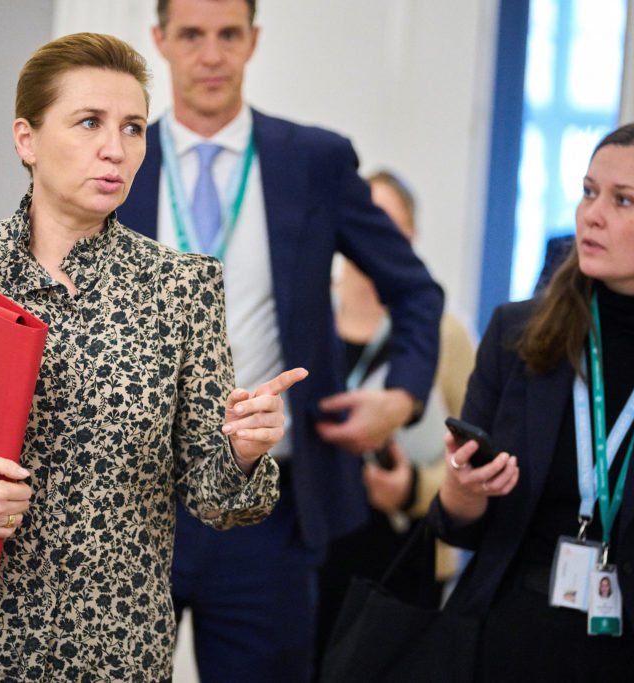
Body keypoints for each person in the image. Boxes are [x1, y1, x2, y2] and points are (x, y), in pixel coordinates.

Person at [0, 32, 308, 682]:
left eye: (133, 127)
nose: (116, 148)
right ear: (27, 140)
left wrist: (244, 451)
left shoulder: (183, 288)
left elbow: (216, 500)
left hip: (105, 658)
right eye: (89, 122)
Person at [117, 2, 444, 680]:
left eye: (228, 34)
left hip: (269, 508)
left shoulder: (313, 161)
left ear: (253, 40)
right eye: (192, 35)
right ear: (160, 41)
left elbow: (417, 291)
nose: (212, 55)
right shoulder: (119, 161)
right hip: (134, 499)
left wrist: (401, 398)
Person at [429, 121, 634, 681]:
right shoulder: (517, 334)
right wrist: (462, 492)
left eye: (623, 200)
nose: (592, 215)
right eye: (588, 192)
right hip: (510, 642)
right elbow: (458, 528)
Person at [314, 170, 475, 665]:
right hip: (311, 549)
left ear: (411, 238)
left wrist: (413, 490)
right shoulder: (308, 315)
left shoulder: (442, 334)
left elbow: (480, 452)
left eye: (389, 226)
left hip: (404, 550)